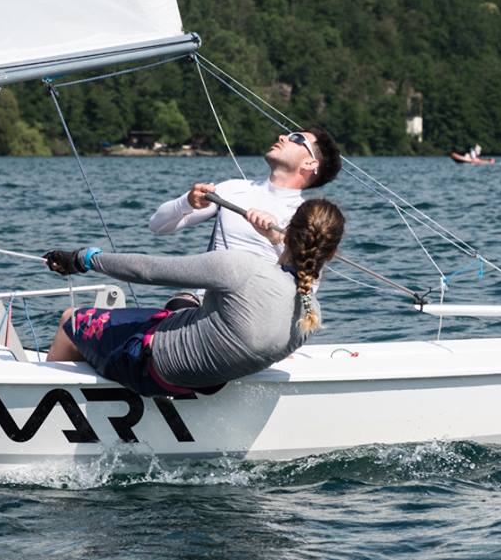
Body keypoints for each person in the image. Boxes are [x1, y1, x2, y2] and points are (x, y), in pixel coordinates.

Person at [44, 199, 346, 397]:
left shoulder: (241, 268)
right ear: (331, 253)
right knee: (185, 299)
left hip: (146, 366)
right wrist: (276, 241)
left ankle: (49, 395)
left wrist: (84, 259)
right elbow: (282, 282)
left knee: (71, 320)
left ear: (288, 230)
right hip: (202, 382)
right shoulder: (311, 316)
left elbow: (146, 271)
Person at [148, 126, 342, 265]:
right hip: (205, 299)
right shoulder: (231, 189)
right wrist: (187, 202)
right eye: (287, 134)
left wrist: (276, 239)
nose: (283, 137)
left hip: (258, 303)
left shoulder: (308, 217)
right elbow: (157, 226)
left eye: (297, 139)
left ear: (310, 163)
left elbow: (308, 286)